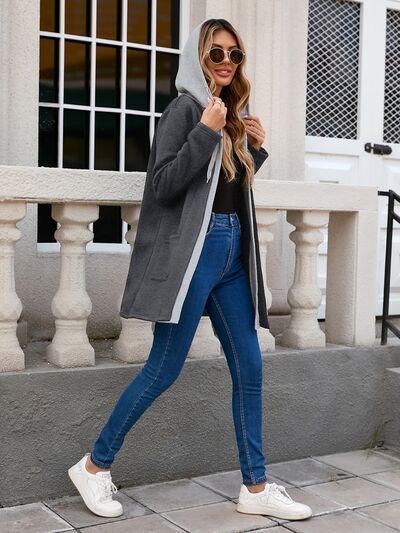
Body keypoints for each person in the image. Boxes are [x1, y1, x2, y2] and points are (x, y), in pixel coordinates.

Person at [68, 18, 312, 522]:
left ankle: (256, 485)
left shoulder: (231, 113)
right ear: (197, 57)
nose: (226, 62)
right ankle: (94, 466)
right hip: (197, 254)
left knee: (250, 367)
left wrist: (253, 150)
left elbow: (221, 190)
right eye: (215, 53)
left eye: (234, 55)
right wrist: (206, 131)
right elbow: (163, 184)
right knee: (164, 368)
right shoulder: (185, 110)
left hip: (232, 254)